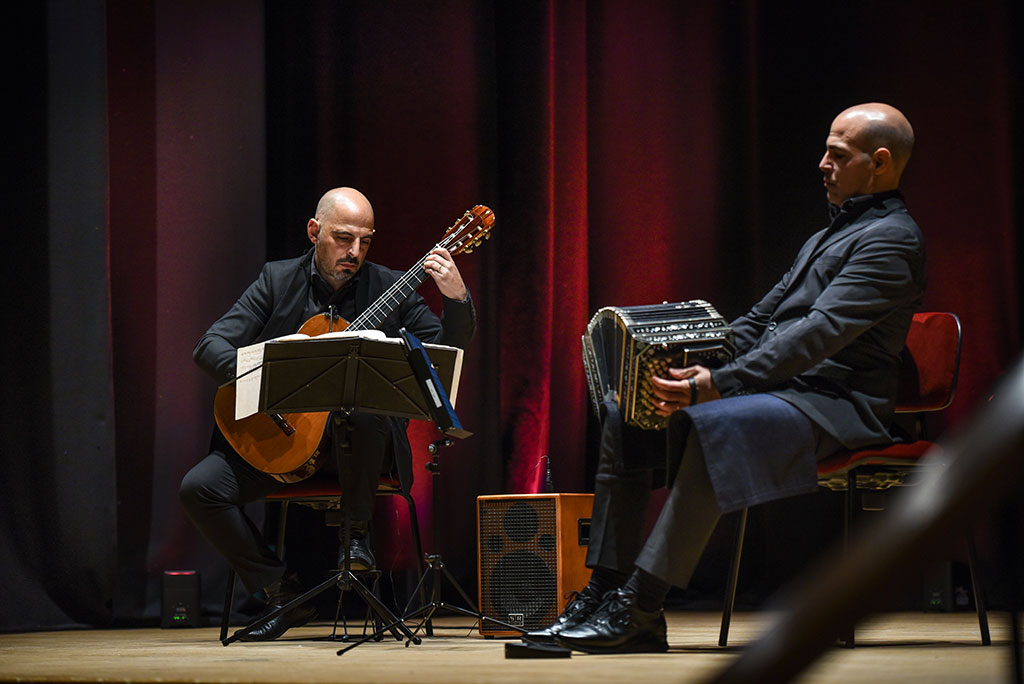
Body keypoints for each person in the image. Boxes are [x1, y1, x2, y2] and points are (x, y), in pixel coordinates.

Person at [527, 103, 925, 653]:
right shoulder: (825, 236)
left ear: (879, 163)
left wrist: (718, 383)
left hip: (836, 403)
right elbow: (762, 320)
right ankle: (606, 588)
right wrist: (687, 359)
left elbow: (817, 334)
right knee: (631, 413)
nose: (821, 164)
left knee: (720, 423)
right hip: (786, 392)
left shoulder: (892, 240)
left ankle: (641, 606)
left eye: (837, 155)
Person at [179, 187, 475, 641]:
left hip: (361, 450)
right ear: (314, 231)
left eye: (365, 241)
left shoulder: (389, 289)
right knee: (199, 488)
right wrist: (269, 376)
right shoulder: (277, 281)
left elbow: (445, 355)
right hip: (284, 441)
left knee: (364, 408)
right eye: (342, 238)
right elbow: (210, 346)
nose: (354, 252)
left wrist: (455, 299)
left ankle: (357, 540)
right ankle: (281, 593)